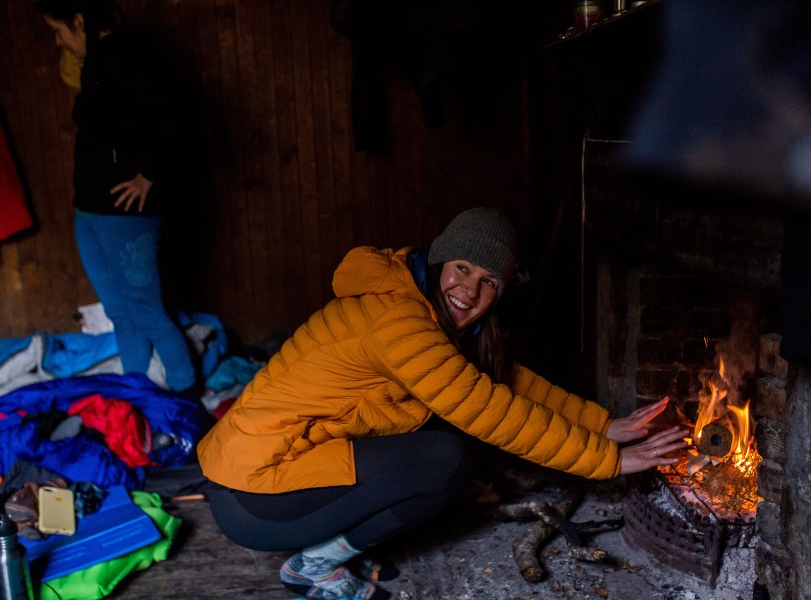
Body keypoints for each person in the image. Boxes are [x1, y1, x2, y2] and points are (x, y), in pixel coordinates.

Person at [197, 207, 690, 600]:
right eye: (462, 267)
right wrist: (607, 461)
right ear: (440, 261)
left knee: (440, 451)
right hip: (253, 497)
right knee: (444, 460)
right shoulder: (397, 319)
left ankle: (324, 552)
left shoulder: (424, 311)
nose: (469, 290)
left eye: (489, 281)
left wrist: (603, 425)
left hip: (257, 477)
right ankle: (311, 567)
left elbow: (510, 384)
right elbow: (489, 409)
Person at [34, 0, 197, 394]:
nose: (57, 41)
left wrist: (149, 175)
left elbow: (179, 118)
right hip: (89, 210)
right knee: (121, 313)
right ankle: (138, 397)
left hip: (125, 215)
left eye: (58, 30)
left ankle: (187, 403)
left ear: (79, 19)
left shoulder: (135, 56)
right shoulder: (93, 64)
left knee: (148, 312)